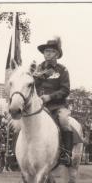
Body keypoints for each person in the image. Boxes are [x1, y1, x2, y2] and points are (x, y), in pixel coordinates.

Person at [34, 37, 73, 167]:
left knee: (64, 121)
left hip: (57, 105)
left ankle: (66, 154)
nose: (47, 53)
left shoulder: (62, 70)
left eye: (50, 51)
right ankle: (15, 152)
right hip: (39, 106)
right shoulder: (38, 69)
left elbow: (65, 90)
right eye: (46, 51)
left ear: (57, 53)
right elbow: (32, 86)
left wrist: (50, 97)